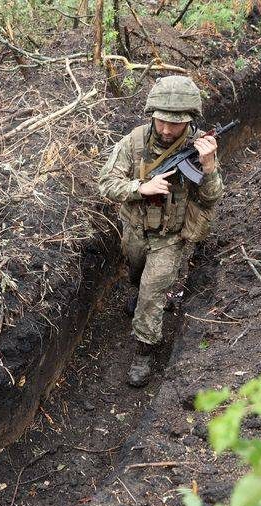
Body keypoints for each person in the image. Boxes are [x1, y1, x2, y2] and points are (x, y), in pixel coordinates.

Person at [98, 75, 224, 387]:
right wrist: (141, 187)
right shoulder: (135, 141)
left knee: (151, 295)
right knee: (136, 275)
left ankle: (144, 350)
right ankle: (138, 295)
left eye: (176, 124)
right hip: (136, 230)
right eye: (161, 121)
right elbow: (106, 183)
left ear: (189, 120)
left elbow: (210, 198)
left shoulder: (201, 148)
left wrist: (208, 167)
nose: (167, 129)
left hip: (171, 237)